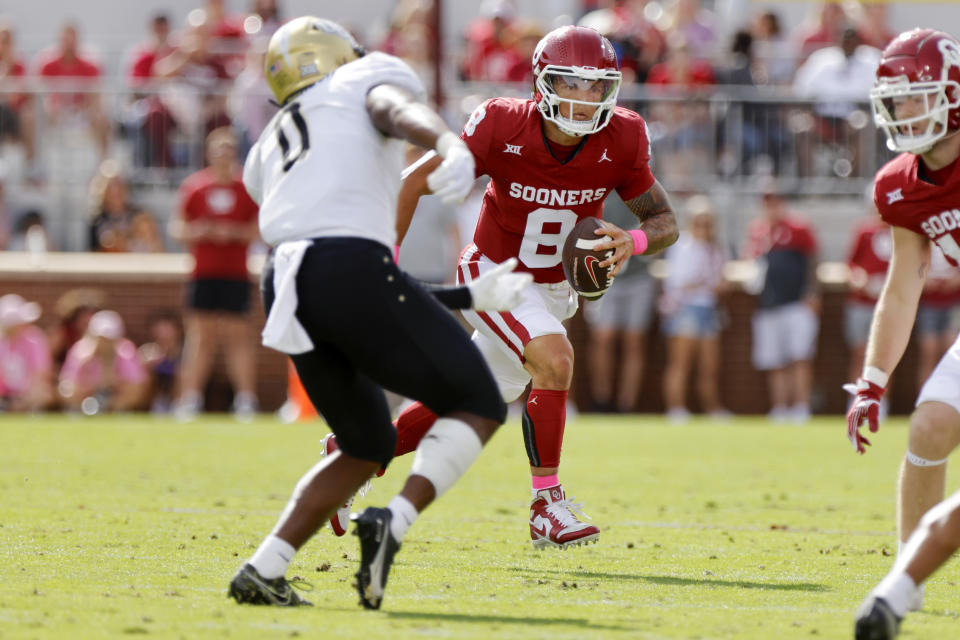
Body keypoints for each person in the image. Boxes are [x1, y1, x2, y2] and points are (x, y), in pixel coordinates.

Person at [227, 16, 531, 610]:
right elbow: (389, 107)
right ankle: (391, 518)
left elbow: (356, 279)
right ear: (339, 57)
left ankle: (264, 568)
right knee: (480, 400)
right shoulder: (360, 82)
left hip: (286, 281)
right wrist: (446, 144)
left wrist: (470, 298)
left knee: (366, 441)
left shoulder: (267, 148)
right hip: (345, 267)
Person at [339, 25, 679, 550]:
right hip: (493, 274)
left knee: (468, 397)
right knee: (556, 360)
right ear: (543, 82)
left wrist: (632, 240)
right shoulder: (502, 123)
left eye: (597, 86)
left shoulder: (624, 135)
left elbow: (663, 220)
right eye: (572, 83)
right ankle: (548, 504)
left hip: (552, 291)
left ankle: (355, 453)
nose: (586, 99)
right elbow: (412, 183)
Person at [848, 28, 960, 637]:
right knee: (929, 425)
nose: (904, 109)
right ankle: (908, 578)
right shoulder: (899, 185)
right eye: (897, 98)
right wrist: (871, 380)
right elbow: (902, 283)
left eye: (916, 95)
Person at [169, 127, 260, 422]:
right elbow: (177, 229)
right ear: (209, 153)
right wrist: (201, 231)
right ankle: (190, 399)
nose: (224, 155)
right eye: (219, 149)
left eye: (229, 149)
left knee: (237, 337)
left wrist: (232, 233)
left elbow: (259, 230)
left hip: (235, 273)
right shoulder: (194, 187)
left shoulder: (247, 188)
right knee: (200, 337)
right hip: (203, 273)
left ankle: (246, 400)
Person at [742, 185, 819, 424]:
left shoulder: (799, 227)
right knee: (774, 361)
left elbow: (813, 261)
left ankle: (801, 407)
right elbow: (750, 264)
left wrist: (813, 293)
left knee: (799, 357)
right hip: (767, 306)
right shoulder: (757, 231)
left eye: (775, 201)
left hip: (796, 303)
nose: (771, 207)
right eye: (767, 202)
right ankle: (780, 408)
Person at [584, 193, 657, 414]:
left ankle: (627, 405)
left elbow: (659, 233)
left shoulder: (646, 194)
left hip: (639, 276)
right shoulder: (601, 191)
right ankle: (602, 401)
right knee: (603, 338)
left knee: (634, 340)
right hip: (605, 275)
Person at [659, 195, 729, 423]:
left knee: (710, 367)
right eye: (699, 222)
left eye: (708, 222)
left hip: (708, 309)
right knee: (681, 363)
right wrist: (706, 283)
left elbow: (718, 282)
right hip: (685, 310)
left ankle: (712, 409)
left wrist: (712, 284)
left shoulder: (717, 249)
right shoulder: (682, 247)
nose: (704, 227)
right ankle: (676, 409)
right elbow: (679, 283)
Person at [58, 309, 150, 414]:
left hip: (115, 397)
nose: (104, 342)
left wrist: (114, 383)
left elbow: (137, 384)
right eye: (101, 338)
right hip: (86, 397)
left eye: (108, 338)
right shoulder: (80, 351)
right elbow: (67, 382)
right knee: (67, 391)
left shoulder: (125, 351)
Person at [0, 294, 53, 412]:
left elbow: (41, 373)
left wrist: (21, 397)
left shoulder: (35, 339)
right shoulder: (2, 343)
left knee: (39, 392)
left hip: (28, 393)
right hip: (5, 395)